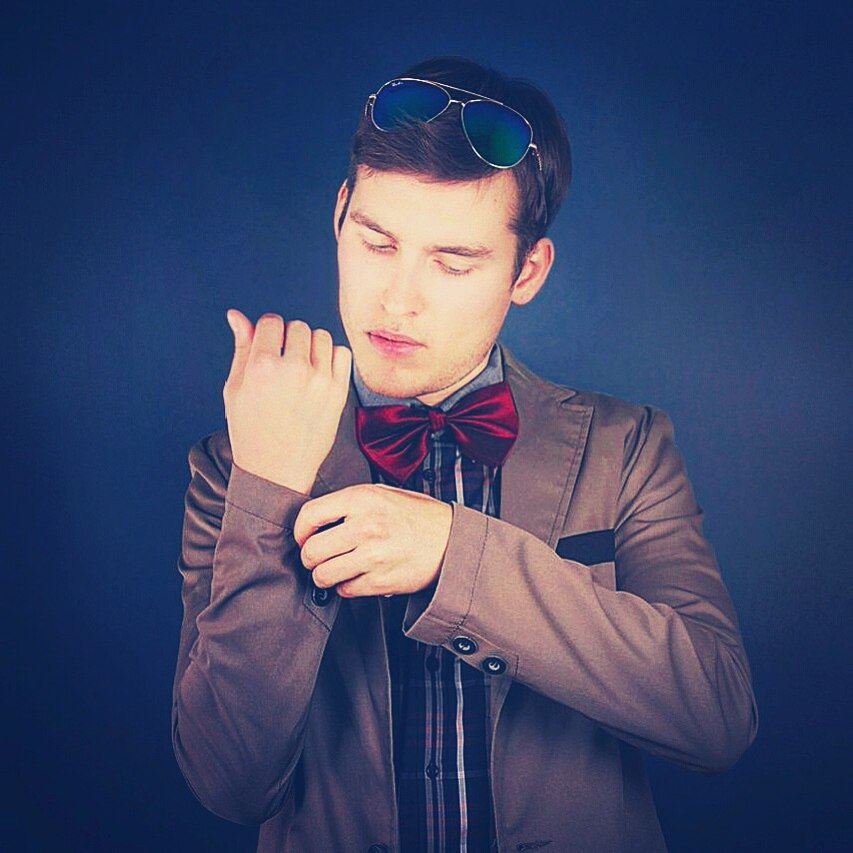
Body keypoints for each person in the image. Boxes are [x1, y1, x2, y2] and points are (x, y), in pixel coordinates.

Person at [172, 55, 758, 852]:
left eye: (452, 262)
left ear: (527, 271)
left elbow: (716, 716)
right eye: (376, 242)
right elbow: (230, 782)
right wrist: (267, 488)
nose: (397, 299)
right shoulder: (231, 464)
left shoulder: (625, 447)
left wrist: (456, 556)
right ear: (339, 214)